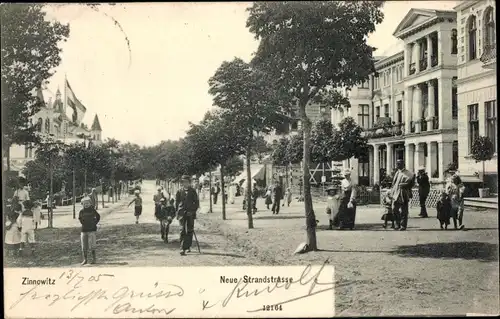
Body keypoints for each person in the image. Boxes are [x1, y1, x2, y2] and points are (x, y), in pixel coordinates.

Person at [176, 175, 199, 256]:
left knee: (190, 230)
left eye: (186, 182)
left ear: (189, 182)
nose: (185, 183)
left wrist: (192, 211)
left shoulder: (193, 191)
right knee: (182, 230)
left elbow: (196, 203)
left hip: (190, 213)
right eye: (183, 182)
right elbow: (177, 203)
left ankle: (188, 246)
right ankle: (182, 248)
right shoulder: (179, 191)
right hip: (182, 213)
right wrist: (177, 213)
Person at [389, 159, 415, 231]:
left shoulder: (409, 173)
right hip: (395, 193)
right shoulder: (397, 173)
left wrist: (405, 185)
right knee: (394, 209)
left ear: (403, 164)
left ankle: (403, 225)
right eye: (397, 164)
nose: (397, 165)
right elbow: (394, 184)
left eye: (399, 164)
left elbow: (412, 184)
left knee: (404, 210)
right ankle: (397, 224)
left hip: (403, 193)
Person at [78, 197, 101, 265]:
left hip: (92, 230)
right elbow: (80, 218)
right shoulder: (81, 211)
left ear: (90, 203)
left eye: (87, 203)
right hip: (84, 230)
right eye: (84, 203)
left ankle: (94, 259)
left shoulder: (93, 210)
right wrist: (84, 223)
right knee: (84, 246)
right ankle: (85, 259)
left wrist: (94, 223)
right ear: (82, 204)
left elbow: (98, 217)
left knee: (92, 245)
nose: (86, 205)